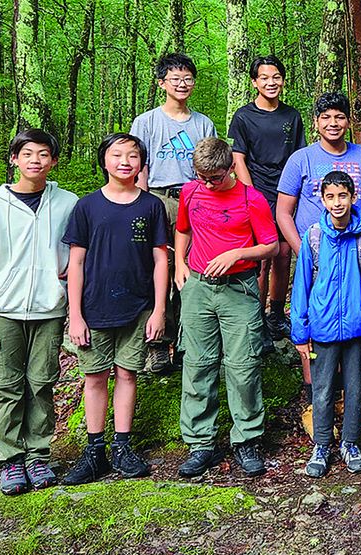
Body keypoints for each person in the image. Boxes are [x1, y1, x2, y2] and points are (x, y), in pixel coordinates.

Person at [0, 129, 77, 495]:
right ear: (14, 159)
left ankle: (38, 454)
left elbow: (78, 252)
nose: (35, 161)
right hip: (4, 309)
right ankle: (10, 459)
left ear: (54, 161)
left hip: (49, 307)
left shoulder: (67, 203)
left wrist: (70, 281)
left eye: (43, 154)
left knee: (42, 383)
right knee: (6, 385)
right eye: (27, 153)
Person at [62, 134, 169, 485]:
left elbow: (160, 259)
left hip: (137, 308)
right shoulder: (87, 206)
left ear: (142, 163)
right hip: (94, 308)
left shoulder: (151, 206)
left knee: (127, 374)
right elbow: (75, 264)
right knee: (95, 377)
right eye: (117, 155)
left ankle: (122, 446)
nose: (125, 161)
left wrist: (158, 310)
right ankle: (95, 450)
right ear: (104, 161)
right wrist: (74, 314)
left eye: (133, 155)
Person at [173, 137, 277, 479]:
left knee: (243, 365)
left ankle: (246, 439)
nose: (207, 184)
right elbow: (183, 229)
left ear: (231, 168)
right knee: (197, 364)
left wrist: (237, 254)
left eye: (214, 178)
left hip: (239, 289)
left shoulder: (252, 199)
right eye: (201, 176)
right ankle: (200, 442)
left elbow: (271, 247)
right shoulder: (191, 191)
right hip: (199, 287)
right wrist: (179, 265)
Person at [277, 91, 361, 402]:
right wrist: (304, 251)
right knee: (315, 319)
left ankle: (346, 399)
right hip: (316, 256)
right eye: (326, 117)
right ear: (316, 123)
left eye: (339, 117)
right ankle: (316, 397)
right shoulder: (301, 159)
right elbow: (283, 211)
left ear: (348, 122)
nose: (333, 123)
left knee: (353, 318)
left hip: (357, 257)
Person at [291, 171, 361, 478]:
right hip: (323, 326)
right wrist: (300, 331)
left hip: (356, 326)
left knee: (355, 387)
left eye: (343, 196)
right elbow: (301, 284)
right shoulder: (315, 236)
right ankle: (321, 444)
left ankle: (351, 442)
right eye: (330, 196)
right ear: (322, 199)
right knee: (322, 388)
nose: (337, 202)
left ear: (354, 197)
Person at [131, 52, 218, 374]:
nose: (182, 84)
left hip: (195, 198)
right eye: (175, 79)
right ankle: (156, 344)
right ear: (162, 83)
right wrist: (141, 202)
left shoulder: (203, 123)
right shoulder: (147, 121)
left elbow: (211, 165)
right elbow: (139, 163)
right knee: (160, 270)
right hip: (158, 197)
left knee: (193, 272)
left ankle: (186, 341)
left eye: (188, 79)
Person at [227, 55, 306, 348]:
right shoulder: (244, 116)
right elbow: (238, 159)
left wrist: (295, 193)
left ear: (283, 80)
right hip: (256, 193)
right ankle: (255, 316)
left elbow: (299, 157)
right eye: (264, 78)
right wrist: (252, 196)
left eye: (276, 77)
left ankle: (276, 314)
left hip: (287, 193)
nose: (270, 82)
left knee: (284, 254)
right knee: (261, 257)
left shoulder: (292, 116)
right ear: (254, 82)